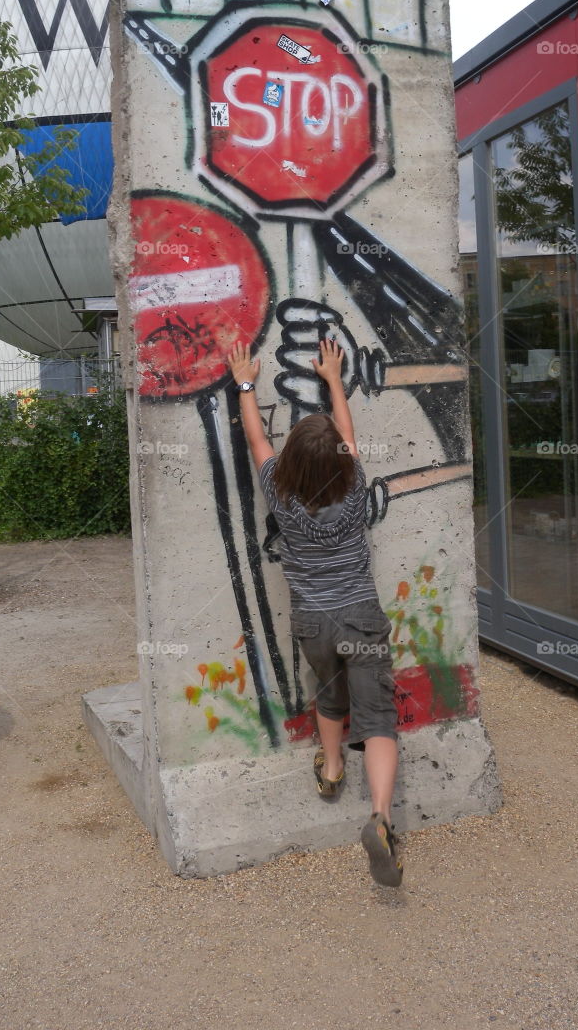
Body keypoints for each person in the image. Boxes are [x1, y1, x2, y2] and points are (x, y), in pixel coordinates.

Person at [226, 336, 402, 887]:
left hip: (314, 623)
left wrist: (246, 383)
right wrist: (332, 378)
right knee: (377, 716)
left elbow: (257, 438)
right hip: (361, 616)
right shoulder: (352, 490)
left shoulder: (279, 494)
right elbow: (346, 434)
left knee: (328, 693)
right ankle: (380, 816)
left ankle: (330, 770)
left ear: (293, 461)